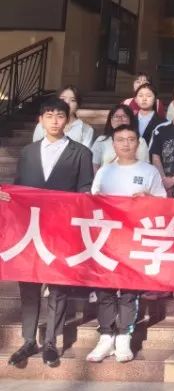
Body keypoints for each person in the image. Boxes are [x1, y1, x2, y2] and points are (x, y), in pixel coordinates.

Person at [3, 98, 93, 368]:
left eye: (60, 116)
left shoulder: (80, 152)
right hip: (30, 230)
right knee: (28, 285)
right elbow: (19, 187)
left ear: (68, 120)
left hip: (62, 230)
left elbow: (85, 190)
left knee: (57, 286)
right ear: (40, 120)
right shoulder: (28, 152)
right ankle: (28, 339)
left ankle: (52, 341)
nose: (54, 121)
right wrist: (8, 198)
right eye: (49, 115)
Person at [87, 124, 165, 364]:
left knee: (130, 290)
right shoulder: (104, 172)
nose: (126, 144)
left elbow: (163, 204)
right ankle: (105, 336)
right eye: (120, 139)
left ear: (138, 143)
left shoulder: (149, 171)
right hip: (108, 238)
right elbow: (92, 202)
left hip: (135, 238)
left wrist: (148, 199)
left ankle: (124, 336)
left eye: (131, 139)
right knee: (105, 288)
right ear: (113, 144)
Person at [91, 104, 150, 171]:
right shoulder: (101, 140)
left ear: (130, 120)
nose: (120, 119)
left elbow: (144, 167)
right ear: (111, 120)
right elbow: (94, 166)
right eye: (116, 116)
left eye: (124, 116)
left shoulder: (140, 141)